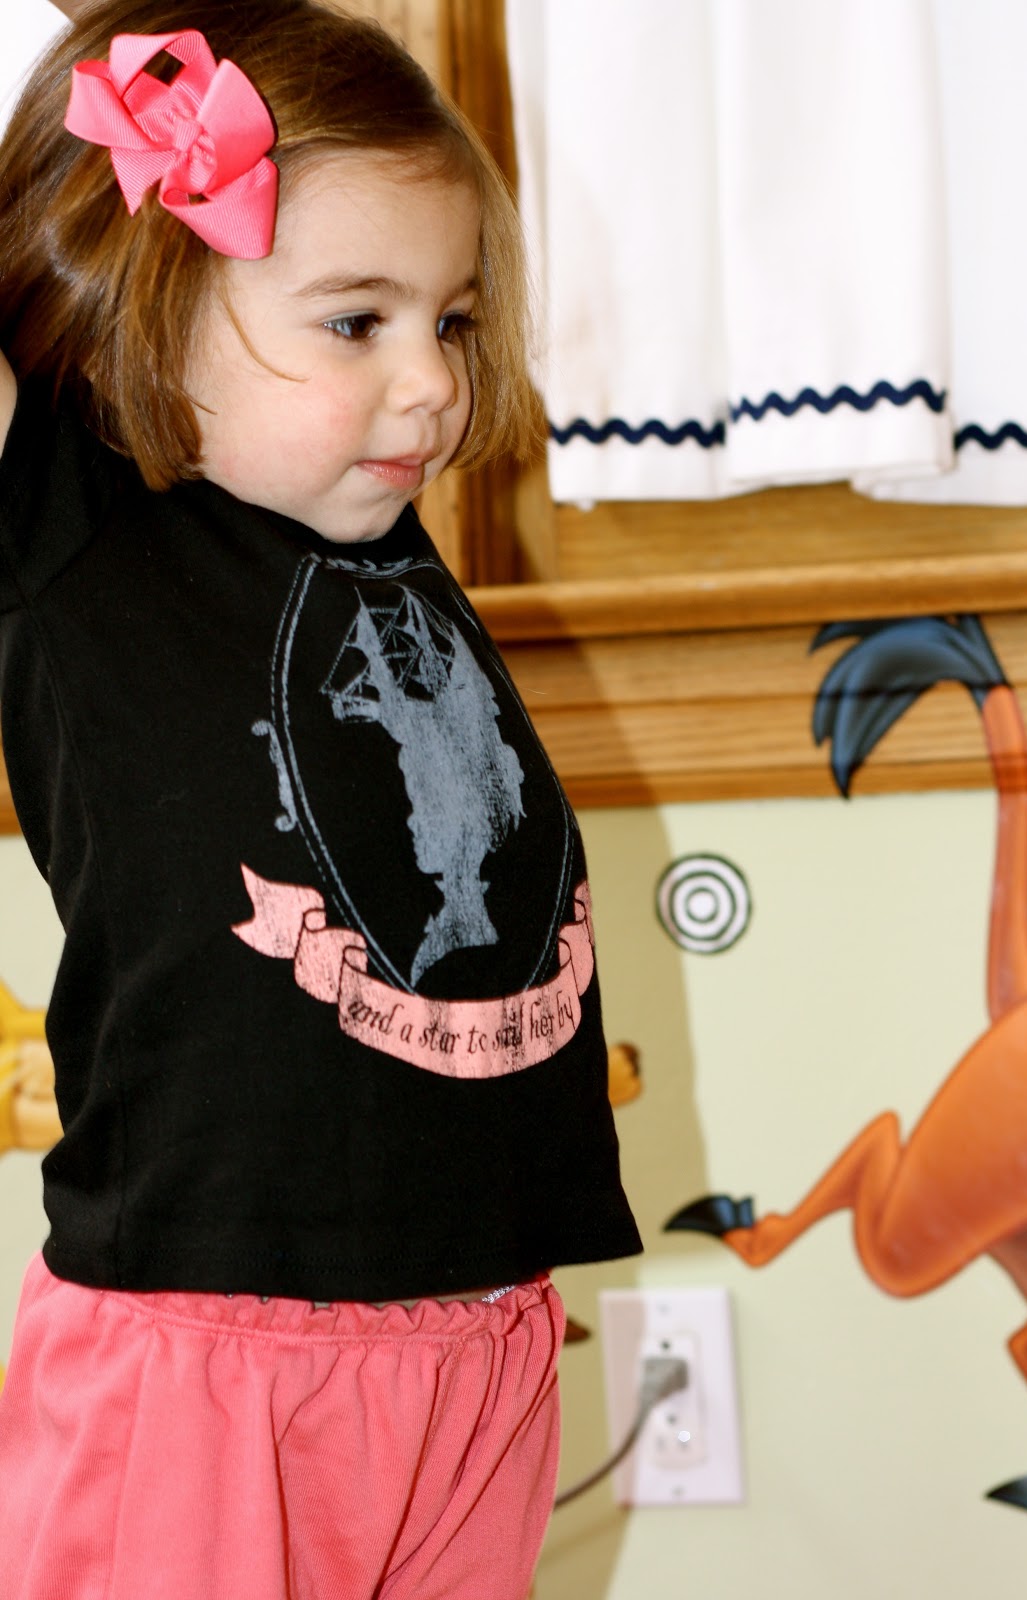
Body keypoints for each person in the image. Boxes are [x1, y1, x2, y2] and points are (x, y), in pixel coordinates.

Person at [0, 3, 642, 1595]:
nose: (430, 385)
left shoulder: (370, 530)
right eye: (357, 322)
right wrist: (127, 136)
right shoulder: (72, 524)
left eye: (453, 319)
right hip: (213, 1355)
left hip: (477, 1333)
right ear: (145, 301)